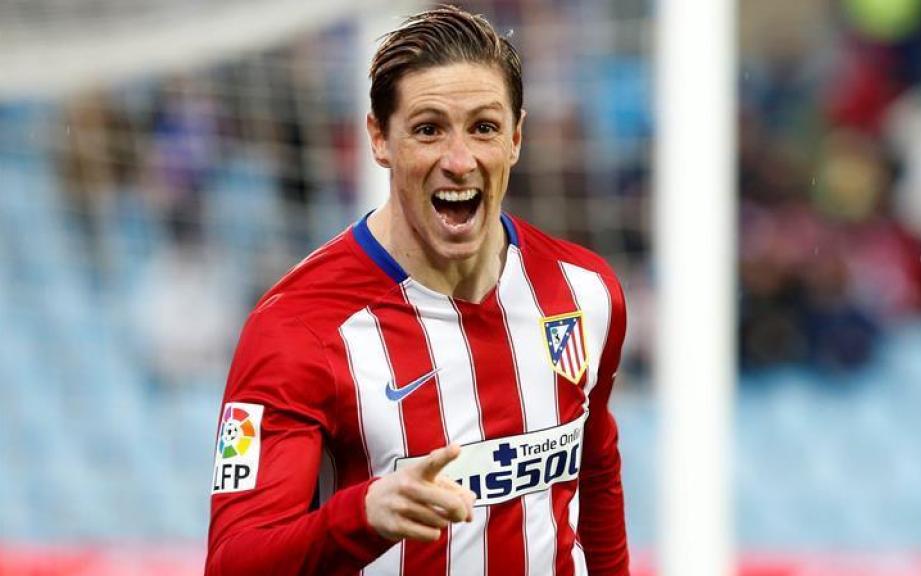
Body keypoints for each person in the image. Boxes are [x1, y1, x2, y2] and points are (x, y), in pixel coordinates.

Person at [206, 6, 630, 575]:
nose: (459, 161)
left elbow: (596, 475)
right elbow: (233, 564)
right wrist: (362, 516)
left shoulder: (585, 293)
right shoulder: (298, 328)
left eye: (484, 127)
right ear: (379, 139)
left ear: (516, 139)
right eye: (429, 129)